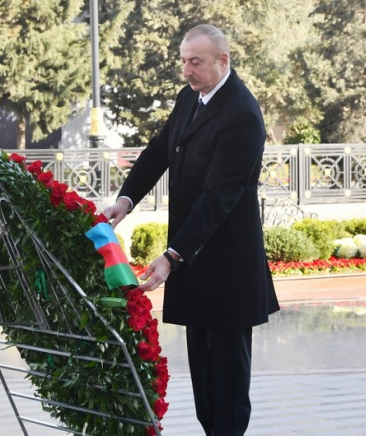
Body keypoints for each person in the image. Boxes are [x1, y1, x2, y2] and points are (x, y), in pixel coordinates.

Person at [104, 24, 280, 436]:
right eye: (183, 61)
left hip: (227, 267)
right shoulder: (190, 98)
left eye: (195, 62)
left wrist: (172, 256)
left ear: (224, 60)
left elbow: (220, 196)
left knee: (228, 381)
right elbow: (157, 152)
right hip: (194, 258)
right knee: (203, 374)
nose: (186, 70)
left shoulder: (242, 114)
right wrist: (126, 200)